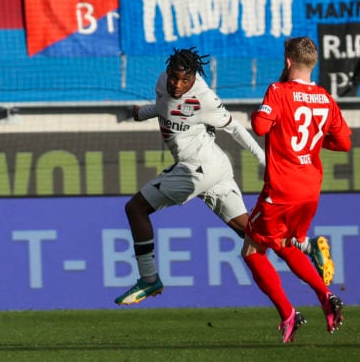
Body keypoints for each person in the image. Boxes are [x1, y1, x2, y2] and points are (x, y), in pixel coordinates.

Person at [114, 48, 333, 305]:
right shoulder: (163, 81)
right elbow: (167, 107)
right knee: (252, 234)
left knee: (135, 209)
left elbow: (235, 128)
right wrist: (142, 114)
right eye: (175, 77)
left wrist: (264, 160)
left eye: (185, 80)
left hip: (197, 167)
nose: (177, 84)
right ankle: (309, 246)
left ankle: (149, 279)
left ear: (195, 77)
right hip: (215, 168)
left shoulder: (205, 98)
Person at [242, 36, 352, 343]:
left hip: (282, 188)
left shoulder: (278, 91)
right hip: (310, 189)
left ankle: (288, 313)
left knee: (252, 250)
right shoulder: (326, 98)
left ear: (287, 61)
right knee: (285, 243)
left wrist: (262, 112)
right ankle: (326, 296)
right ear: (312, 64)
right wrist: (316, 143)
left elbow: (261, 127)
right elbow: (344, 143)